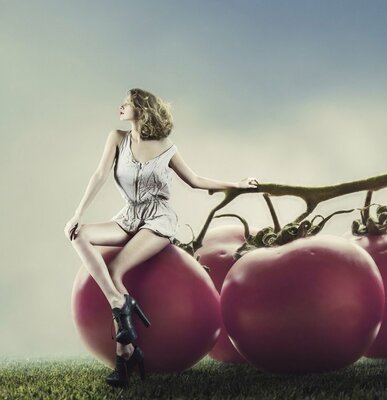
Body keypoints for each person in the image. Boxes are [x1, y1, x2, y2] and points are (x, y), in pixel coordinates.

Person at [63, 88, 259, 387]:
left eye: (126, 103)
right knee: (79, 235)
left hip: (158, 221)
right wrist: (78, 213)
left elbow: (195, 181)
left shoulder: (166, 147)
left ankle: (123, 356)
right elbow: (99, 174)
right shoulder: (117, 138)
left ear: (141, 108)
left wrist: (236, 184)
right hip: (128, 217)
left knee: (116, 270)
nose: (121, 106)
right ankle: (121, 311)